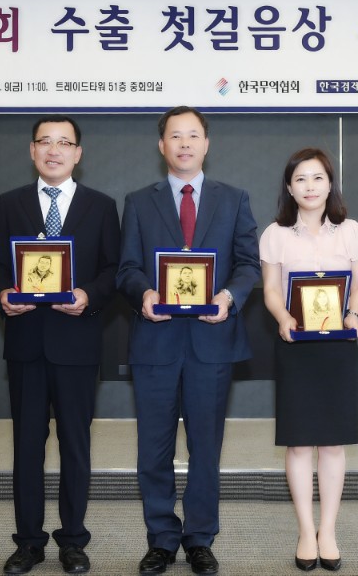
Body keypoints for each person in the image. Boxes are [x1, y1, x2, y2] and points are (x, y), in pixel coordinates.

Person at [116, 106, 260, 576]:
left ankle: (200, 538)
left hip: (211, 341)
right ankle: (161, 539)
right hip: (155, 341)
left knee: (205, 447)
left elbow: (248, 264)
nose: (184, 144)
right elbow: (127, 268)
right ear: (162, 146)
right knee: (153, 448)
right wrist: (144, 294)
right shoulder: (139, 201)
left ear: (206, 144)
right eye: (175, 136)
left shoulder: (234, 199)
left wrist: (228, 297)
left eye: (193, 135)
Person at [0, 115, 121, 575]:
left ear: (78, 154)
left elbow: (113, 269)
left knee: (75, 444)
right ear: (32, 150)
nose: (54, 150)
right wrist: (3, 293)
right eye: (45, 141)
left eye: (64, 143)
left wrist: (88, 295)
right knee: (27, 446)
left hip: (77, 343)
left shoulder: (101, 206)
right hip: (25, 342)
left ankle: (73, 540)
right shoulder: (10, 203)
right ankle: (28, 541)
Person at [259, 148, 358, 573]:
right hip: (295, 344)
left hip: (338, 345)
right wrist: (282, 317)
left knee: (332, 442)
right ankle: (306, 531)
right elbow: (272, 289)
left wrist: (354, 315)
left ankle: (329, 530)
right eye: (301, 179)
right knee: (299, 441)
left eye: (318, 178)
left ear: (330, 184)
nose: (310, 186)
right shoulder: (275, 234)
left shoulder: (352, 231)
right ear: (290, 188)